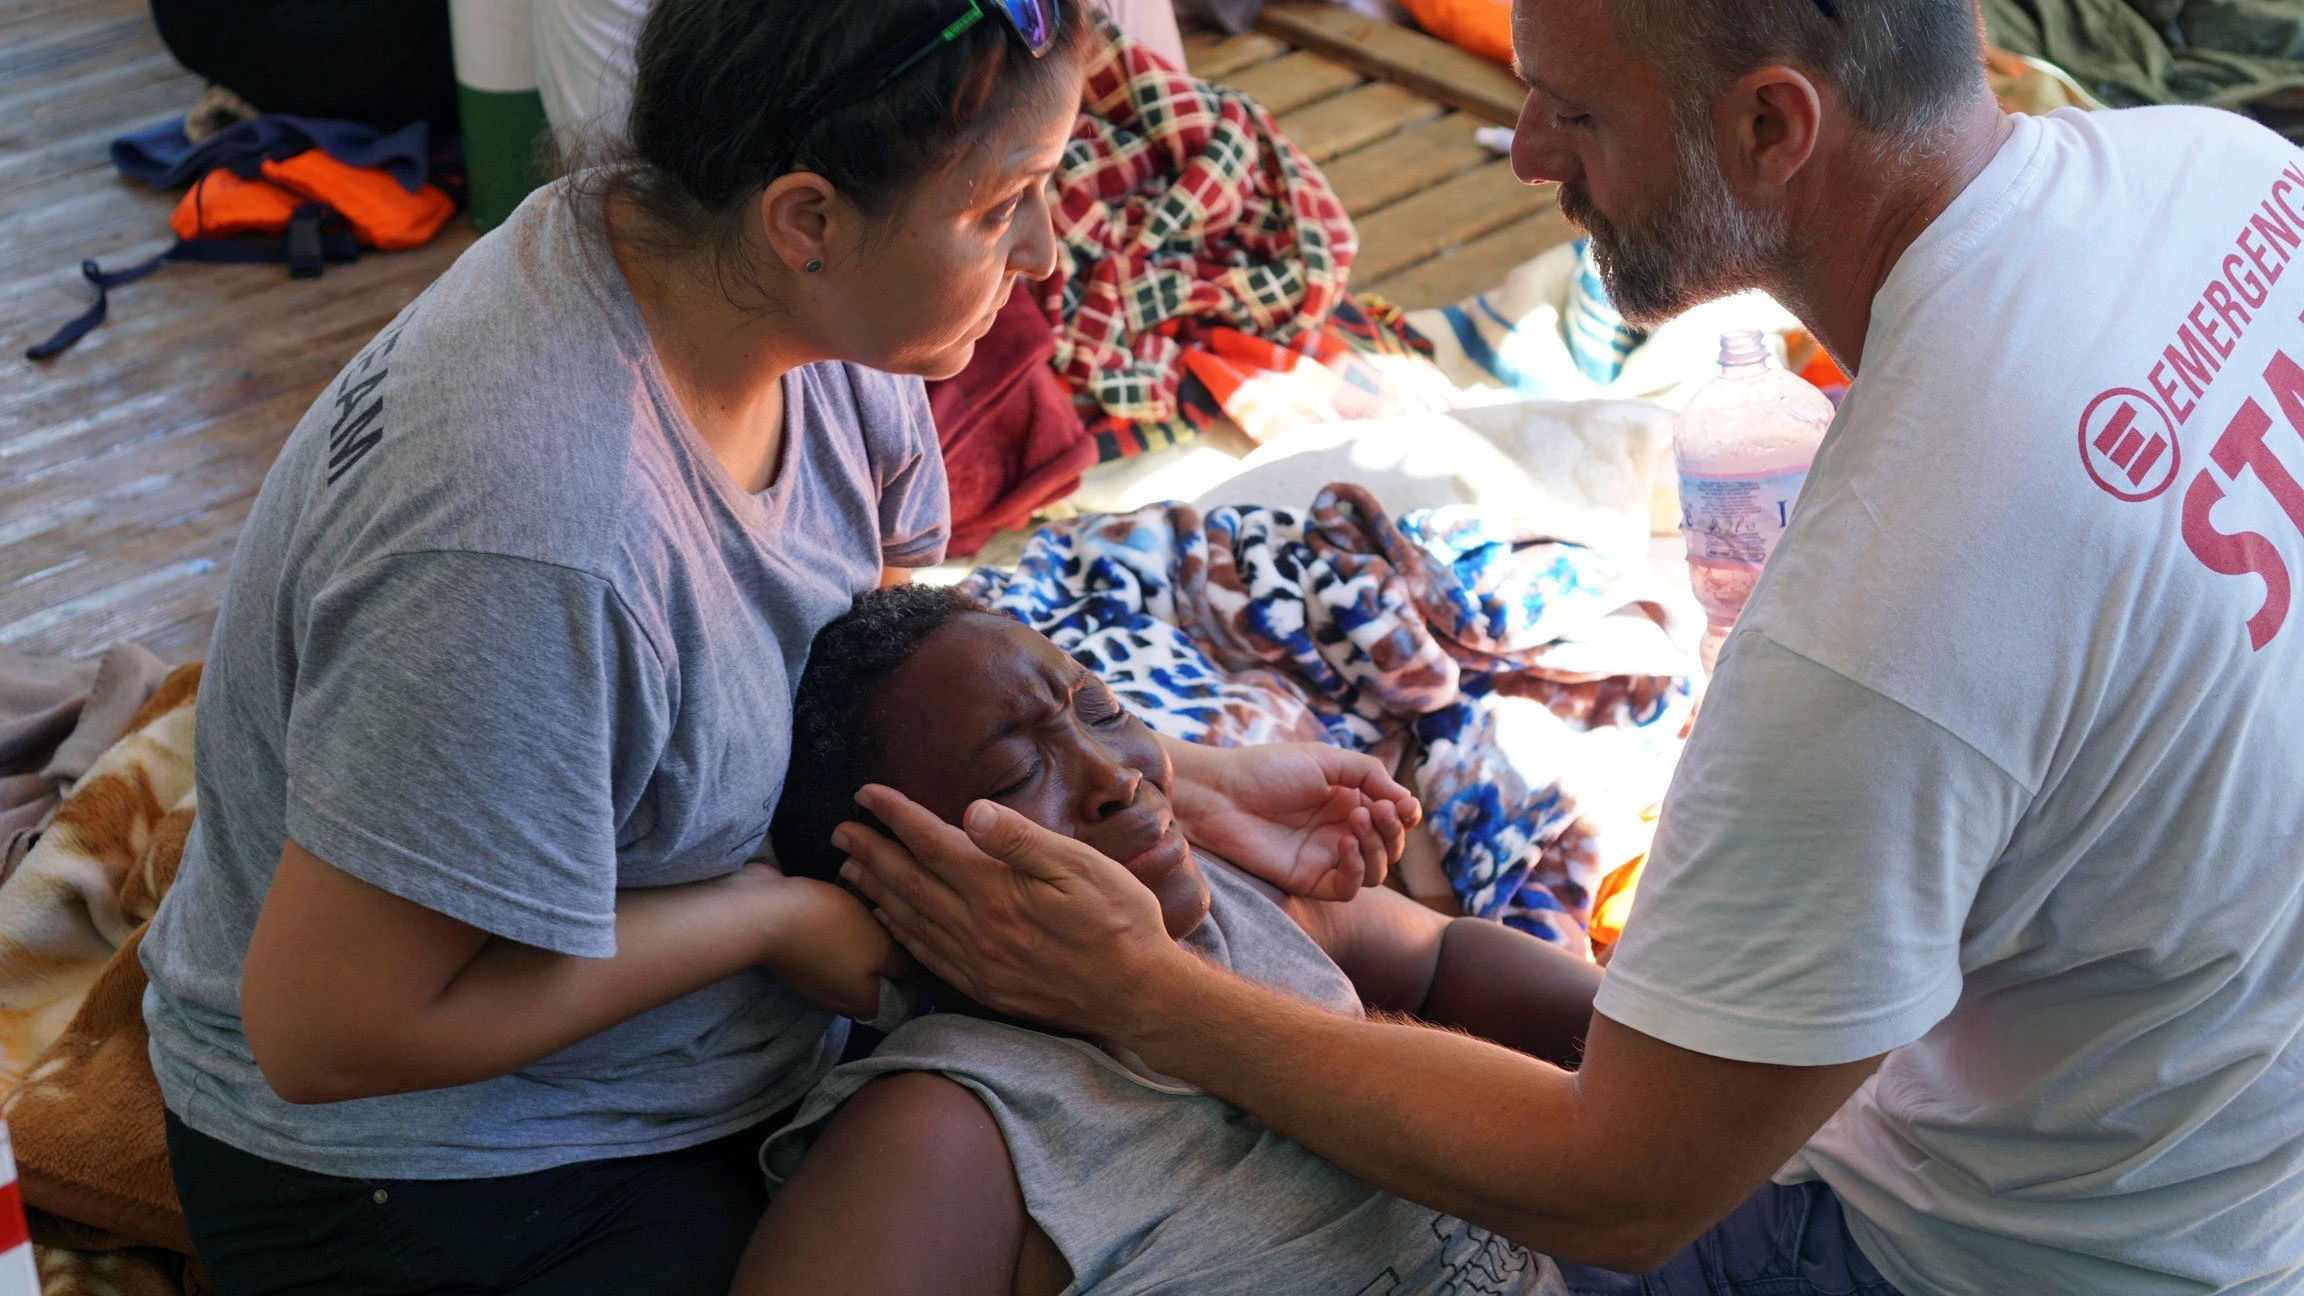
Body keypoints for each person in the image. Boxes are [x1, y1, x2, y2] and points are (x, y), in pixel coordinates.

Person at [838, 0, 2304, 1293]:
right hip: (2230, 1172)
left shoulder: (1884, 614)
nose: (1527, 149)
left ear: (1772, 124)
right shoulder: (2233, 177)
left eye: (1577, 108)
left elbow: (1625, 1197)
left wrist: (1144, 995)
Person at [135, 1, 1414, 1292]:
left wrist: (1187, 780)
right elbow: (324, 1031)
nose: (1045, 252)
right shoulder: (533, 535)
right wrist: (762, 925)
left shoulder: (793, 309)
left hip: (720, 1042)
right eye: (1002, 207)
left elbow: (870, 659)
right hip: (438, 1167)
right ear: (805, 218)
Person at [735, 584, 1601, 1296]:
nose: (1118, 776)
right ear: (898, 872)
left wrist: (1636, 1036)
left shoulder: (1223, 905)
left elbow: (1442, 957)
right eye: (1013, 773)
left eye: (1101, 708)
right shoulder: (947, 1130)